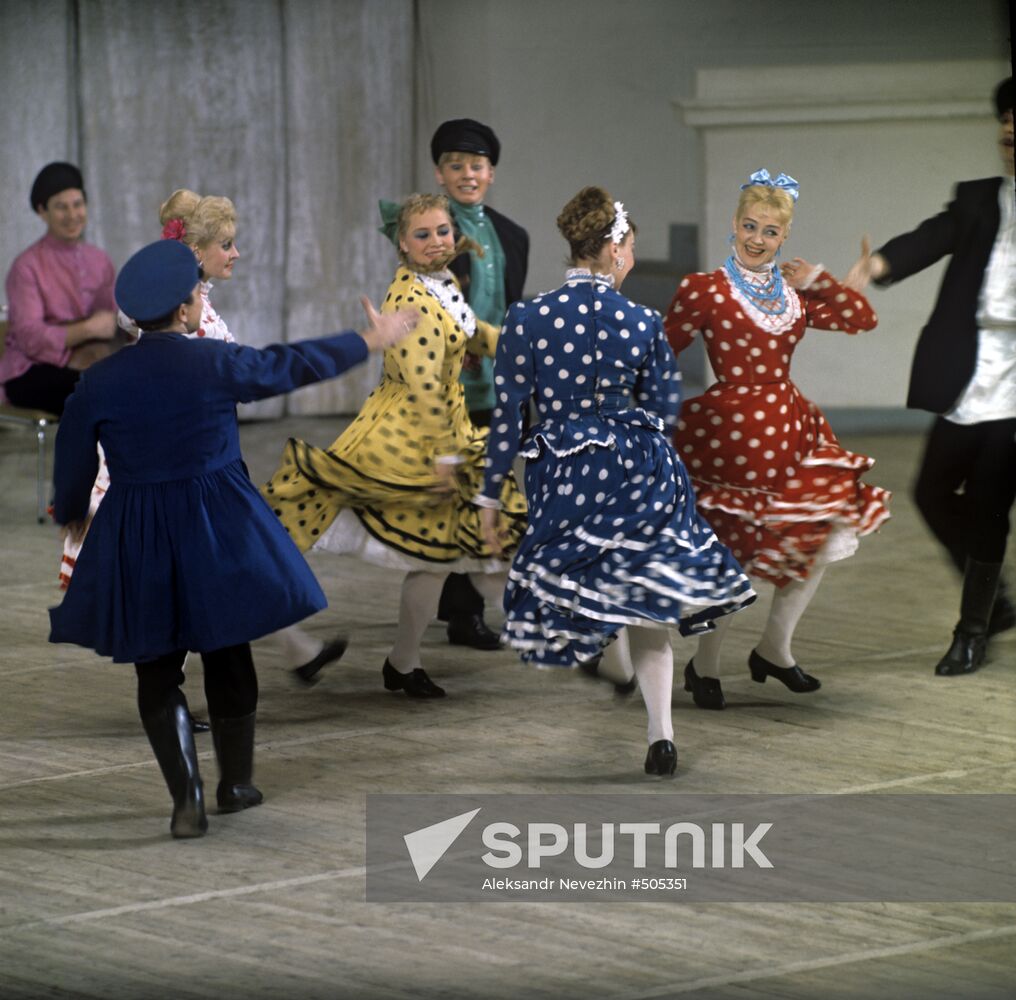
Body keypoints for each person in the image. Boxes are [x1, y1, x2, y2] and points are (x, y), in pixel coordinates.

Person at [48, 238, 417, 838]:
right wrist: (369, 340)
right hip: (215, 525)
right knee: (226, 649)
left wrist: (71, 510)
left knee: (156, 666)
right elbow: (287, 365)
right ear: (189, 306)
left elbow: (73, 464)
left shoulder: (100, 381)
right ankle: (235, 784)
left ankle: (186, 797)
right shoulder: (213, 362)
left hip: (138, 528)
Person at [479, 187, 756, 777]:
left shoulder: (528, 317)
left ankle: (611, 664)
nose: (630, 256)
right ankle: (661, 735)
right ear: (614, 250)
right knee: (648, 602)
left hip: (565, 466)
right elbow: (663, 406)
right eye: (629, 246)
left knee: (587, 584)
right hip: (639, 467)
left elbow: (508, 415)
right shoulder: (641, 319)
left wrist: (488, 493)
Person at [59, 189, 347, 690]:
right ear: (197, 254)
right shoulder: (183, 315)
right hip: (170, 464)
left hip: (201, 460)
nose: (236, 254)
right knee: (198, 571)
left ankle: (292, 650)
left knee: (228, 563)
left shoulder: (198, 307)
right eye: (227, 244)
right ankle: (175, 689)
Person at [264, 193, 527, 698]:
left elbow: (473, 334)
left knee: (436, 556)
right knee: (297, 525)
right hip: (405, 437)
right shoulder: (410, 297)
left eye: (443, 231)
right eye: (423, 235)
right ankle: (246, 635)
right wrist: (445, 456)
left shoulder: (444, 283)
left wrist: (525, 345)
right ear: (402, 244)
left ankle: (402, 662)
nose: (437, 242)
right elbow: (426, 382)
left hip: (444, 430)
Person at [664, 169, 890, 711]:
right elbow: (659, 350)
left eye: (769, 230)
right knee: (734, 551)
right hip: (730, 434)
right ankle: (705, 663)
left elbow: (862, 317)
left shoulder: (792, 294)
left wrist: (821, 280)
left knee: (811, 542)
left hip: (790, 429)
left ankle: (774, 649)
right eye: (749, 226)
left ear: (783, 236)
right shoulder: (705, 289)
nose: (757, 238)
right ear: (734, 225)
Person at [846, 77, 1015, 676]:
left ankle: (973, 627)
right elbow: (931, 237)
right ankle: (993, 593)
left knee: (992, 503)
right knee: (933, 491)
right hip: (972, 369)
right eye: (1005, 125)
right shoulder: (978, 200)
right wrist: (882, 262)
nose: (1008, 133)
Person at [431, 118, 530, 652]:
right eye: (456, 165)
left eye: (476, 166)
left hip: (498, 386)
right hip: (445, 387)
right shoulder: (429, 229)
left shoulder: (514, 234)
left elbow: (512, 311)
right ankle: (461, 610)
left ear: (491, 172)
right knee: (457, 496)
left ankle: (456, 598)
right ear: (439, 173)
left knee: (484, 493)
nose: (467, 174)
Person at [1, 162, 119, 414]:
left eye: (77, 204)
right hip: (30, 370)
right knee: (101, 392)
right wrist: (87, 330)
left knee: (139, 381)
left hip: (88, 363)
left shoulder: (99, 260)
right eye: (61, 207)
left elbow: (112, 320)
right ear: (42, 212)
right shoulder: (26, 266)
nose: (72, 214)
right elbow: (30, 338)